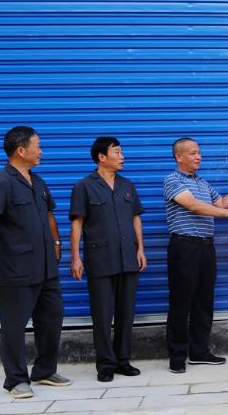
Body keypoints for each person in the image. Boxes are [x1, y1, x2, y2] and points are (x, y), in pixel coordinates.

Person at [0, 126, 72, 399]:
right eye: (37, 146)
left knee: (52, 319)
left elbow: (50, 215)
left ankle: (44, 370)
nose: (41, 151)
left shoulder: (38, 182)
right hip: (16, 268)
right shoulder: (1, 183)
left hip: (46, 268)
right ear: (21, 150)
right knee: (14, 326)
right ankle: (16, 379)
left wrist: (56, 244)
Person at [163, 137, 228, 373]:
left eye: (199, 152)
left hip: (206, 248)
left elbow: (222, 204)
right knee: (181, 302)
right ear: (179, 157)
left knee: (203, 301)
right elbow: (194, 206)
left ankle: (199, 351)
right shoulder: (172, 180)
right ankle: (177, 356)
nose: (198, 156)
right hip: (184, 248)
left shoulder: (203, 183)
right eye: (192, 153)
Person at [69, 137, 147, 382]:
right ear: (102, 157)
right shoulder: (83, 186)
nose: (122, 156)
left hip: (128, 257)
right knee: (102, 315)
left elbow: (136, 218)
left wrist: (141, 249)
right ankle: (105, 364)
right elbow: (77, 223)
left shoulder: (127, 185)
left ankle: (123, 360)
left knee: (126, 312)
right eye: (117, 152)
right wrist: (75, 257)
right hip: (100, 258)